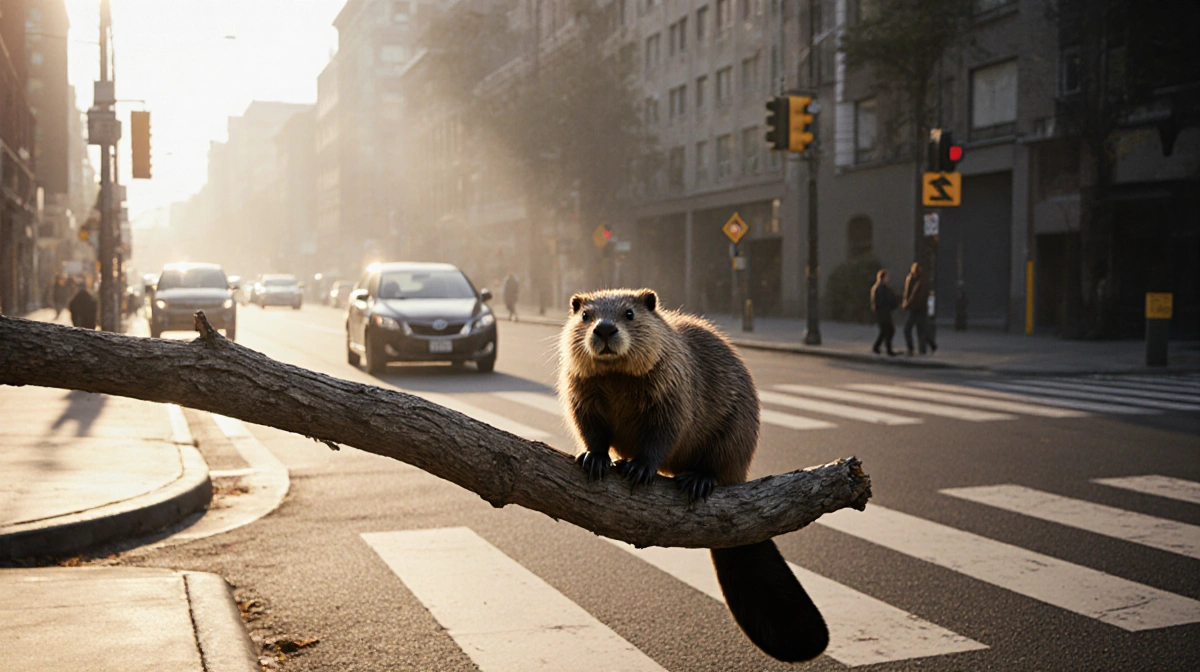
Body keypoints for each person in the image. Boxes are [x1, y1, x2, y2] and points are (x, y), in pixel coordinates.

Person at [902, 262, 937, 355]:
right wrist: (906, 302)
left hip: (917, 309)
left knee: (917, 330)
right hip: (914, 308)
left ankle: (920, 348)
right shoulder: (911, 279)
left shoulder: (922, 282)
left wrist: (907, 303)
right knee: (917, 329)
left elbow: (916, 296)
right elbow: (907, 293)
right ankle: (927, 346)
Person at [870, 269, 899, 356]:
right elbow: (881, 301)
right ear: (882, 277)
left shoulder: (883, 288)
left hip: (884, 312)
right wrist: (890, 305)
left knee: (884, 331)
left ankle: (877, 347)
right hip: (883, 313)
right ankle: (888, 349)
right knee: (889, 330)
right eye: (886, 277)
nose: (888, 279)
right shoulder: (879, 288)